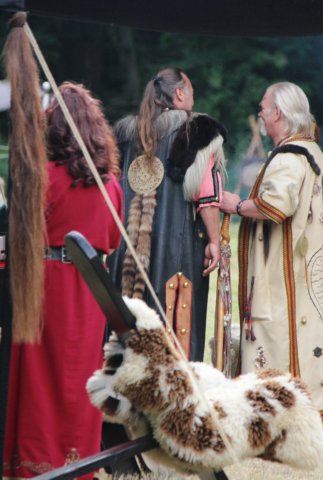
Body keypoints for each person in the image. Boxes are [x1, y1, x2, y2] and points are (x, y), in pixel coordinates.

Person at [4, 82, 123, 478]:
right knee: (80, 378)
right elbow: (110, 239)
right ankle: (78, 464)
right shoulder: (110, 185)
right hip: (91, 290)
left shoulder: (43, 176)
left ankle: (36, 464)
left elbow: (22, 234)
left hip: (46, 282)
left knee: (40, 378)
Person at [221, 82, 323, 423]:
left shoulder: (289, 157)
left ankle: (275, 413)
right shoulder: (311, 151)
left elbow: (275, 206)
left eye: (263, 107)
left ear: (279, 114)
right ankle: (306, 407)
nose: (259, 113)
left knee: (277, 330)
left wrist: (237, 204)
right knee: (306, 328)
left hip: (279, 273)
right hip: (303, 266)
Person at [111, 67, 227, 361]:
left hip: (125, 251)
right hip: (178, 251)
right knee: (174, 330)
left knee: (128, 325)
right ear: (179, 94)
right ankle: (174, 391)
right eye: (191, 91)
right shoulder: (197, 131)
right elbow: (207, 195)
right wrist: (214, 241)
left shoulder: (125, 135)